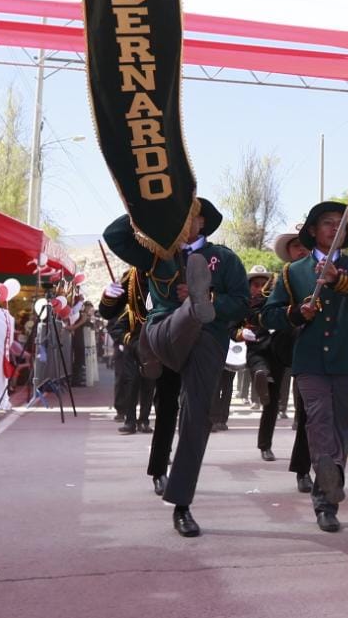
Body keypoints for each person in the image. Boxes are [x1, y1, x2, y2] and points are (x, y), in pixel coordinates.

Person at [103, 198, 249, 538]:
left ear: (203, 222)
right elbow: (114, 236)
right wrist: (148, 210)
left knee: (196, 416)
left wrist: (210, 300)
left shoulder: (225, 258)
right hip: (164, 333)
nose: (183, 222)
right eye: (178, 216)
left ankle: (181, 504)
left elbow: (242, 303)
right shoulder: (157, 254)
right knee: (166, 403)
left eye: (189, 215)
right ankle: (184, 316)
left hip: (207, 341)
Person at [262, 201, 348, 533]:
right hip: (309, 360)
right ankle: (325, 503)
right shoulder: (293, 271)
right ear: (313, 230)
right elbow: (269, 315)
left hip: (346, 359)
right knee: (318, 420)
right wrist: (296, 313)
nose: (334, 228)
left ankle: (330, 482)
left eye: (340, 224)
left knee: (341, 427)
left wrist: (337, 279)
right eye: (328, 222)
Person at [269, 224, 314, 493]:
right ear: (288, 251)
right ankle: (302, 469)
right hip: (291, 345)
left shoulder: (325, 271)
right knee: (303, 409)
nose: (302, 250)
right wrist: (296, 314)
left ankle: (325, 467)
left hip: (327, 348)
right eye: (296, 246)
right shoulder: (285, 278)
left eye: (305, 245)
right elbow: (269, 315)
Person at [101, 268, 155, 435]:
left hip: (152, 350)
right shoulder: (129, 312)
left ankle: (144, 421)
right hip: (132, 350)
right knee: (131, 384)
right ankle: (129, 421)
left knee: (149, 386)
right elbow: (116, 328)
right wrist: (130, 342)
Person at [235, 266, 276, 453]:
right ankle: (262, 376)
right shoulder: (241, 305)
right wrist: (241, 333)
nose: (259, 289)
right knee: (259, 367)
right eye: (256, 285)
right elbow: (231, 327)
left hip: (276, 351)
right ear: (249, 286)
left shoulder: (275, 302)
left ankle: (265, 446)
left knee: (271, 403)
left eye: (263, 285)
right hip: (256, 350)